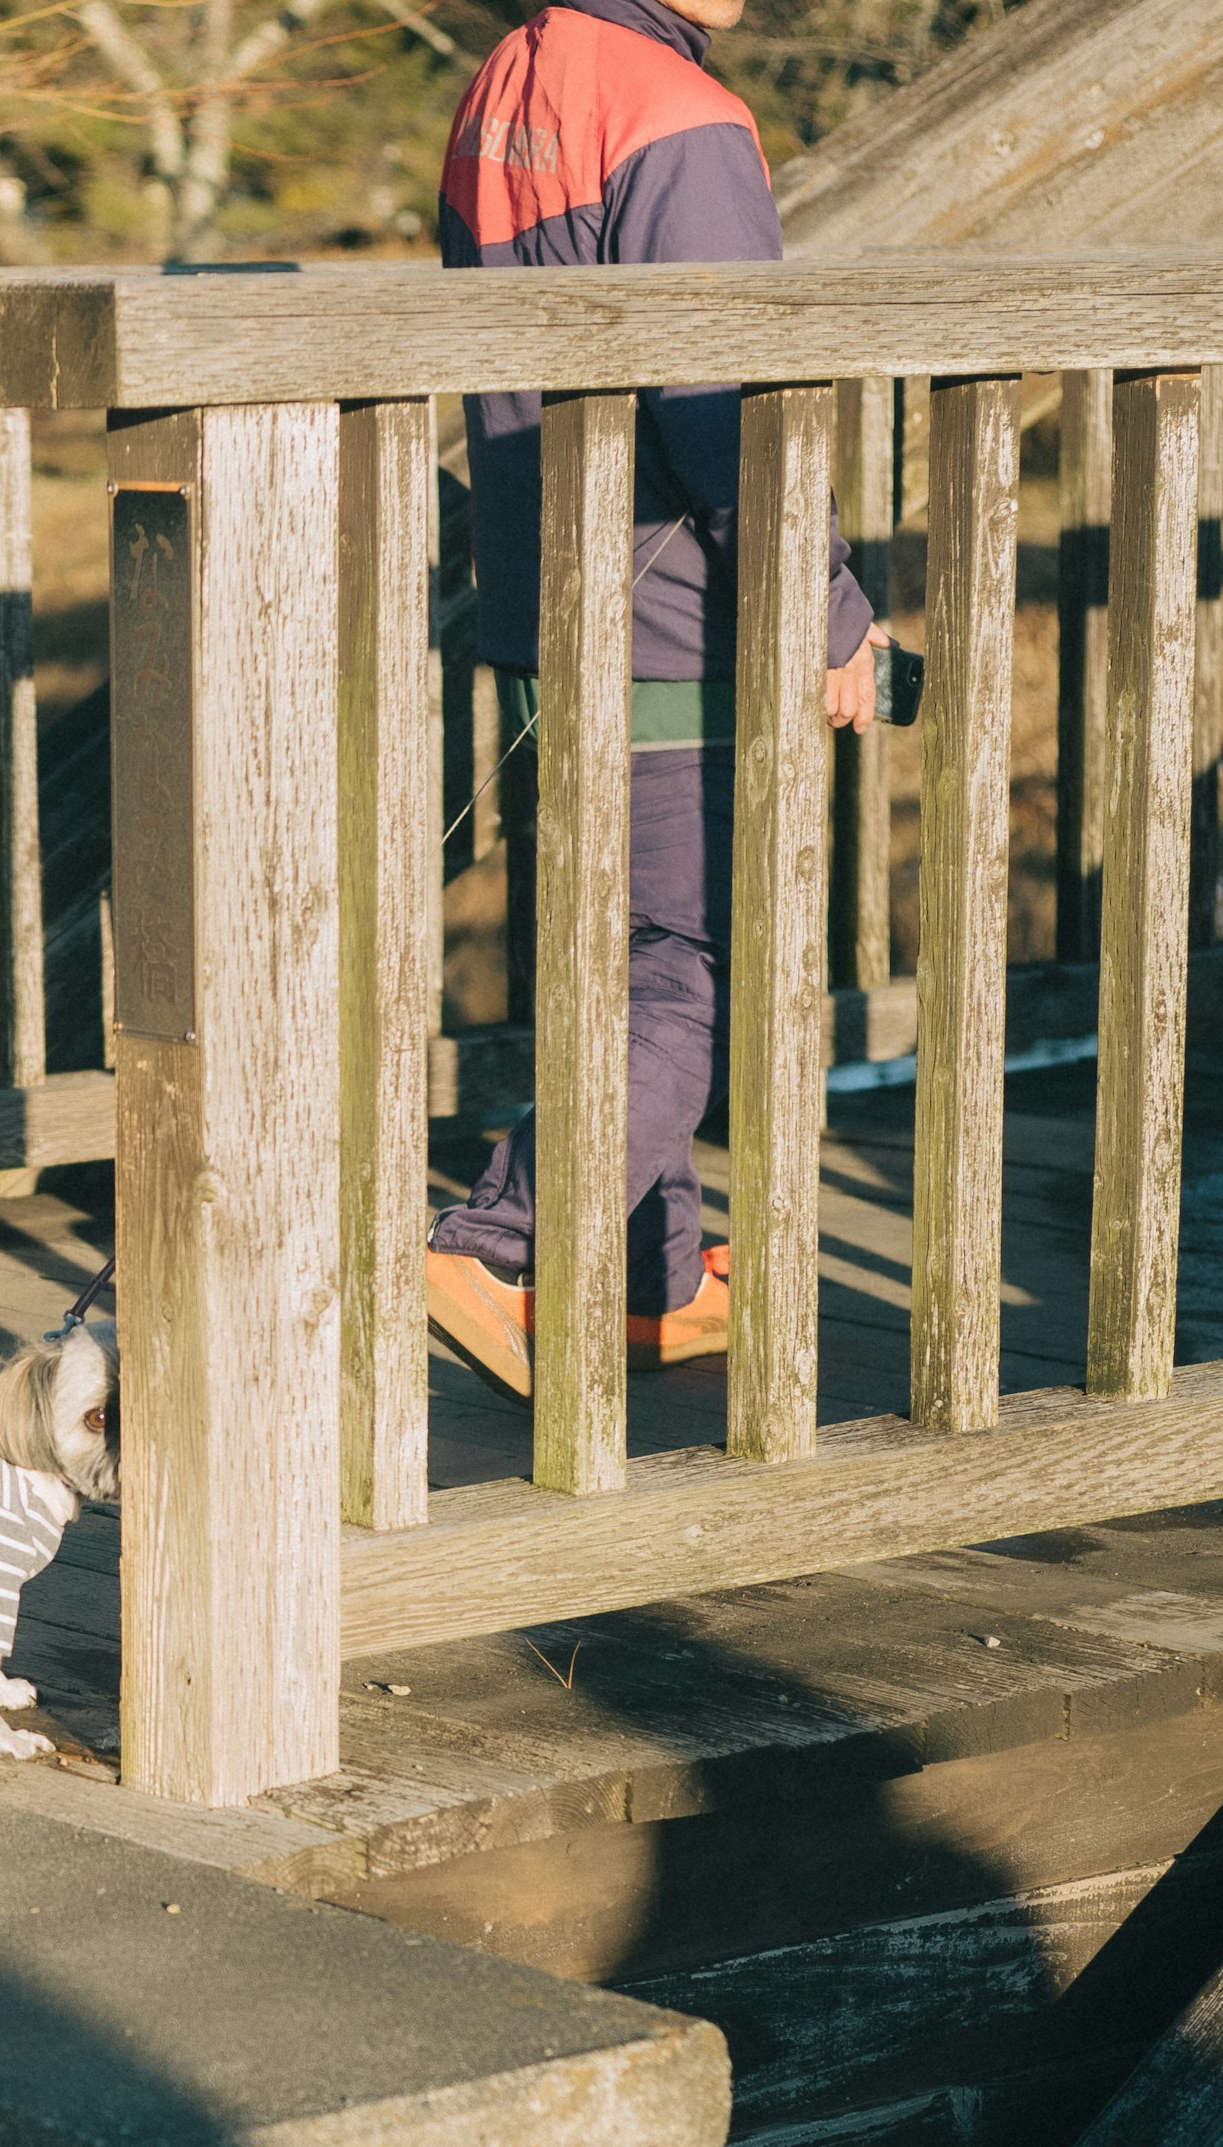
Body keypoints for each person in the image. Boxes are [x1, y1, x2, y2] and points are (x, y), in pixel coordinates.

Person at [421, 0, 880, 1396]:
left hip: (543, 600)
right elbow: (721, 398)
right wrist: (830, 612)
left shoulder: (508, 78)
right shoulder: (677, 115)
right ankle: (496, 1242)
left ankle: (650, 1283)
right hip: (671, 616)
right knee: (687, 968)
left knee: (625, 960)